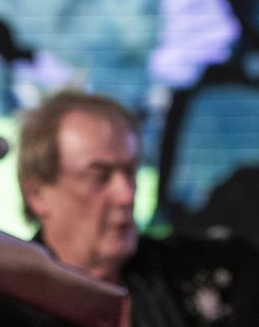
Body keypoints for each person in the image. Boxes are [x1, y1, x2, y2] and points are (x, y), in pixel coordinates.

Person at [17, 90, 259, 326]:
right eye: (99, 177)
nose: (126, 194)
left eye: (131, 172)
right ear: (37, 194)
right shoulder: (6, 301)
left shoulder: (194, 277)